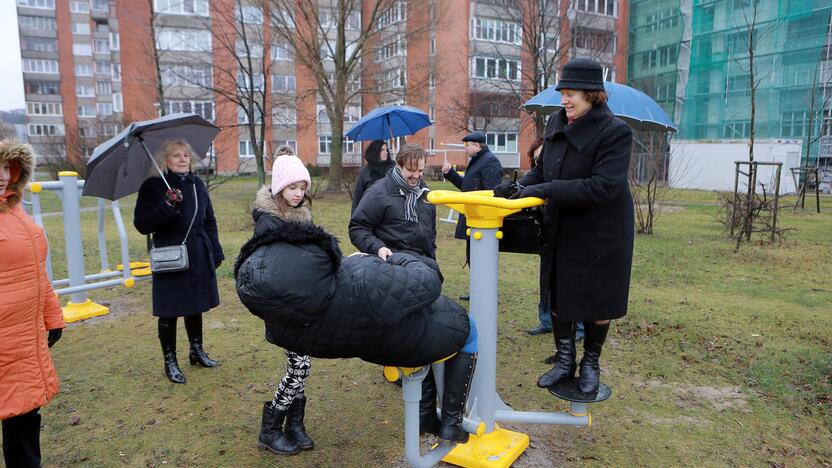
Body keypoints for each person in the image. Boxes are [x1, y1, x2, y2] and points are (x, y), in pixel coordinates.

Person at [235, 149, 479, 445]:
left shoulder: (297, 215)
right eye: (293, 188)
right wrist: (377, 249)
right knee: (298, 367)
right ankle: (271, 426)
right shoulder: (271, 223)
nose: (299, 193)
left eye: (302, 188)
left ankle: (295, 424)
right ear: (278, 188)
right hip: (294, 308)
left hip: (319, 302)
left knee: (301, 366)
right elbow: (290, 267)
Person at [495, 58, 634, 395]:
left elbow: (602, 187)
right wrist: (517, 185)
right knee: (560, 294)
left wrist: (544, 190)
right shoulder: (558, 125)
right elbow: (543, 171)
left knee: (599, 300)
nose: (564, 101)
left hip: (603, 230)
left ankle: (591, 362)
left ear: (593, 95)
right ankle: (564, 360)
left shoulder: (616, 133)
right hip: (563, 227)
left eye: (571, 94)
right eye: (563, 93)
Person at [134, 139, 224, 384]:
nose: (183, 159)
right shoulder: (153, 186)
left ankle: (196, 351)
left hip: (197, 251)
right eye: (176, 155)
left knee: (195, 305)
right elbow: (142, 225)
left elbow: (209, 221)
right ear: (166, 160)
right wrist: (166, 205)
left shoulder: (197, 185)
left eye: (185, 154)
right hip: (170, 254)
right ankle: (170, 360)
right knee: (170, 309)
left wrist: (215, 251)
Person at [0, 140, 66, 467]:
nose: (0, 176)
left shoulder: (15, 210)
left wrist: (52, 317)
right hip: (5, 337)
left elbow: (35, 273)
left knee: (23, 416)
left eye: (4, 167)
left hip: (24, 340)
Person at [524, 139, 585, 343]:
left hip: (573, 231)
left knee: (573, 282)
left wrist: (548, 192)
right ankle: (547, 320)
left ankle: (580, 327)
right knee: (547, 279)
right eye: (536, 158)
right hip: (549, 231)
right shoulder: (541, 170)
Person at [349, 144, 440, 276]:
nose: (416, 176)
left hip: (425, 266)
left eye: (420, 171)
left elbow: (430, 234)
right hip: (391, 268)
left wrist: (432, 257)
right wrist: (378, 248)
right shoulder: (378, 193)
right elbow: (357, 228)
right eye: (410, 170)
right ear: (398, 165)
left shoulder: (426, 194)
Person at [441, 131, 503, 300]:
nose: (465, 148)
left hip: (483, 220)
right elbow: (467, 187)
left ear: (477, 145)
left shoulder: (490, 162)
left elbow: (492, 193)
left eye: (467, 145)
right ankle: (477, 289)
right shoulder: (477, 161)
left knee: (483, 257)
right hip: (472, 217)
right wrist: (450, 173)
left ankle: (485, 292)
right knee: (473, 256)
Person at [351, 140, 394, 213]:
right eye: (382, 150)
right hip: (371, 211)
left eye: (386, 150)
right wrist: (355, 219)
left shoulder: (392, 168)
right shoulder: (366, 171)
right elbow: (358, 197)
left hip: (390, 211)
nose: (386, 152)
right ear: (376, 151)